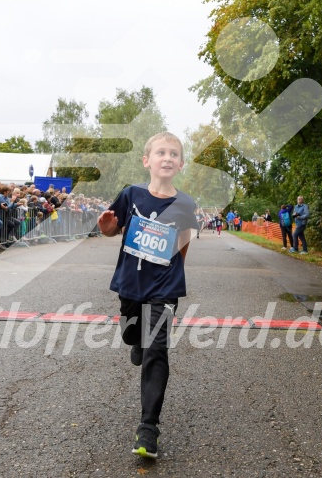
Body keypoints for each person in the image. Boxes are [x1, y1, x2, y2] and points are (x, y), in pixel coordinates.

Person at [97, 131, 197, 459]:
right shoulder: (131, 194)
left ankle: (148, 428)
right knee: (131, 335)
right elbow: (112, 228)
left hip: (164, 288)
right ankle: (134, 341)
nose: (167, 158)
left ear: (180, 164)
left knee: (157, 350)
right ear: (147, 161)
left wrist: (175, 276)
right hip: (130, 283)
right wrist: (107, 226)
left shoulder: (185, 204)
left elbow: (183, 241)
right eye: (160, 153)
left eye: (173, 154)